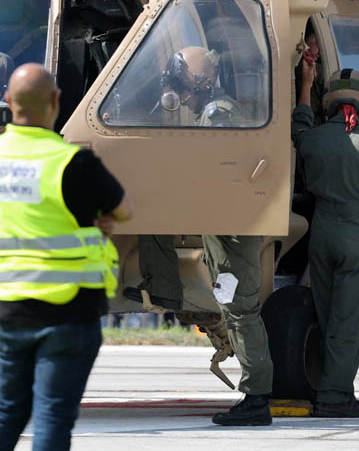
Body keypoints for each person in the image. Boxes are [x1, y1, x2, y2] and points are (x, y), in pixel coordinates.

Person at [124, 46, 274, 426]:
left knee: (241, 312)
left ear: (200, 84)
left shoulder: (216, 114)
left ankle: (256, 399)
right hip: (224, 229)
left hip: (231, 233)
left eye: (184, 88)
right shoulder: (216, 111)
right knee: (234, 309)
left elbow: (219, 170)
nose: (181, 96)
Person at [0, 64, 131, 451]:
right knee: (53, 418)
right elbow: (124, 210)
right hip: (70, 311)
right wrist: (98, 221)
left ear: (8, 102)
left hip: (8, 309)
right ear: (56, 101)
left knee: (6, 412)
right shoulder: (73, 163)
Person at [292, 64, 359, 418]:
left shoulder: (313, 138)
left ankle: (325, 384)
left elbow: (299, 124)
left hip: (321, 234)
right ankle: (336, 395)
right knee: (346, 320)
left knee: (326, 316)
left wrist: (305, 84)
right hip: (356, 236)